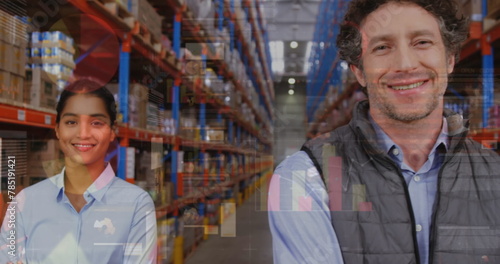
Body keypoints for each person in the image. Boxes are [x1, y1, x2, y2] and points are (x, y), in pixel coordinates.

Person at [268, 0, 500, 263]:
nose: (405, 64)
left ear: (449, 59)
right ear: (360, 73)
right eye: (381, 47)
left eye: (422, 42)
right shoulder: (304, 180)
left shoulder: (495, 173)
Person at [0, 79, 157, 263]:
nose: (83, 133)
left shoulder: (137, 205)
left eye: (96, 123)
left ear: (113, 131)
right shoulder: (24, 203)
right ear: (58, 130)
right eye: (71, 121)